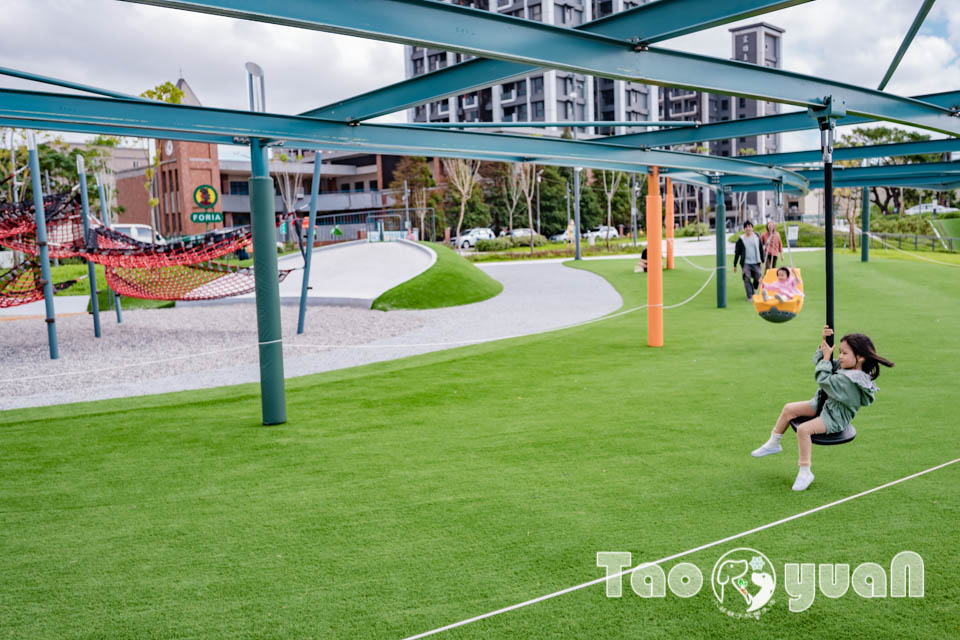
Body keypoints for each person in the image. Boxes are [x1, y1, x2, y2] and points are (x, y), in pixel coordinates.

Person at [751, 326, 894, 491]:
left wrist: (827, 359)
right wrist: (824, 343)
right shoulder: (847, 367)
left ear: (860, 357)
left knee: (804, 430)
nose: (840, 356)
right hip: (822, 404)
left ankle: (805, 471)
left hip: (834, 417)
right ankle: (774, 443)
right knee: (789, 409)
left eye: (844, 353)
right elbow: (822, 364)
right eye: (839, 352)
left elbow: (823, 378)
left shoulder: (851, 381)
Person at [733, 221, 765, 300]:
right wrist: (735, 264)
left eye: (750, 226)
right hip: (746, 263)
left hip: (756, 262)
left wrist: (763, 261)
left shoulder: (757, 238)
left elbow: (761, 249)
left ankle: (754, 287)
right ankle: (750, 296)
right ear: (744, 229)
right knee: (746, 278)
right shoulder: (741, 240)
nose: (748, 228)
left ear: (752, 228)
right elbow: (737, 253)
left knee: (758, 277)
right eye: (746, 227)